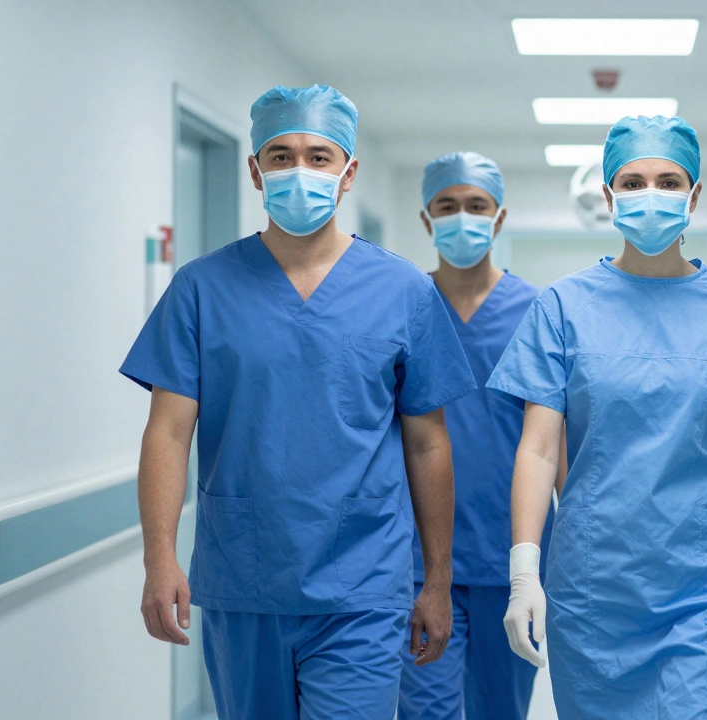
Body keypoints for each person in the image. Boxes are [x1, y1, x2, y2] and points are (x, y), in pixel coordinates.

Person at [121, 85, 476, 720]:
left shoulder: (402, 291)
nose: (299, 171)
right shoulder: (201, 288)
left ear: (348, 173)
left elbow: (428, 442)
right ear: (254, 170)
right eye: (280, 156)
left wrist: (438, 581)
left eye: (318, 156)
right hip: (244, 578)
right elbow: (168, 433)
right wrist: (159, 557)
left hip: (364, 585)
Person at [490, 115, 707, 719]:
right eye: (632, 182)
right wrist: (524, 572)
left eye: (667, 179)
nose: (649, 194)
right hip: (596, 584)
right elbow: (539, 450)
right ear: (607, 196)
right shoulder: (562, 307)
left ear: (695, 195)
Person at [399, 151, 557, 720]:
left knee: (502, 711)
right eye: (447, 205)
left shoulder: (538, 310)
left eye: (476, 205)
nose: (461, 216)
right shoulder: (403, 305)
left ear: (499, 216)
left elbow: (555, 442)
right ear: (426, 218)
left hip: (512, 554)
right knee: (426, 710)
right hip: (416, 557)